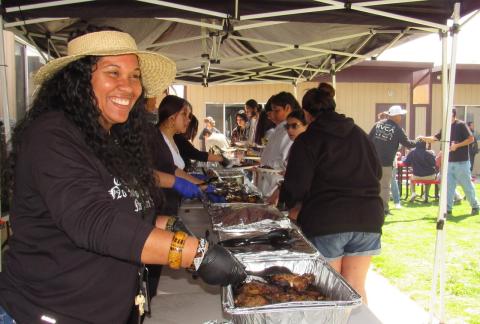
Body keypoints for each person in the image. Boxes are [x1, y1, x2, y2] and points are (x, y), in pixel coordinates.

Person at [0, 28, 246, 324]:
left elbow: (122, 208)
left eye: (134, 76)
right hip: (47, 312)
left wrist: (167, 223)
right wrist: (197, 254)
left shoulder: (110, 138)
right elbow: (96, 221)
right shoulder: (51, 136)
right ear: (78, 79)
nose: (128, 87)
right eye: (112, 72)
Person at [280, 86, 383, 304]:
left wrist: (291, 205)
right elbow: (377, 172)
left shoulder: (307, 140)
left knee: (329, 291)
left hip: (327, 220)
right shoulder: (360, 135)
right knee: (355, 288)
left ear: (307, 114)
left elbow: (295, 186)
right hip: (368, 217)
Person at [420, 108, 479, 215]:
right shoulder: (446, 127)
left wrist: (457, 145)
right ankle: (448, 209)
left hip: (462, 162)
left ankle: (475, 206)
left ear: (452, 114)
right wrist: (423, 138)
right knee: (448, 187)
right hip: (449, 162)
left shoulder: (461, 125)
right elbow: (435, 138)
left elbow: (471, 139)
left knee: (467, 186)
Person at [368, 105, 417, 215]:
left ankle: (371, 207)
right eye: (400, 115)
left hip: (373, 161)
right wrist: (419, 140)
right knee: (385, 187)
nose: (401, 117)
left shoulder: (377, 124)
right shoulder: (398, 129)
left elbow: (368, 139)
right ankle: (384, 209)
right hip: (386, 163)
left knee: (373, 185)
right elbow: (408, 144)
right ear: (396, 116)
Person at [257, 92, 301, 198]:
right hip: (268, 185)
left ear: (287, 108)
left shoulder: (289, 130)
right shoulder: (279, 128)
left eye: (277, 110)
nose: (273, 114)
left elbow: (285, 161)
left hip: (276, 187)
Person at [267, 109, 308, 206]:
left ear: (307, 125)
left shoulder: (308, 149)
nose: (290, 130)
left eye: (294, 126)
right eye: (287, 126)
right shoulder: (296, 146)